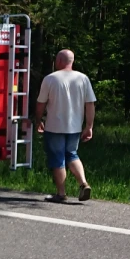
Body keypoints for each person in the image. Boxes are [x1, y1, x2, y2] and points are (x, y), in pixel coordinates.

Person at [35, 49, 96, 203]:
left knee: (57, 158)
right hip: (74, 126)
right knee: (72, 154)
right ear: (72, 61)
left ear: (60, 61)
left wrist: (38, 119)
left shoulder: (50, 79)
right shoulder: (83, 78)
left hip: (54, 126)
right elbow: (90, 104)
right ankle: (83, 183)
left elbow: (41, 103)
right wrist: (89, 126)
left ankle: (61, 193)